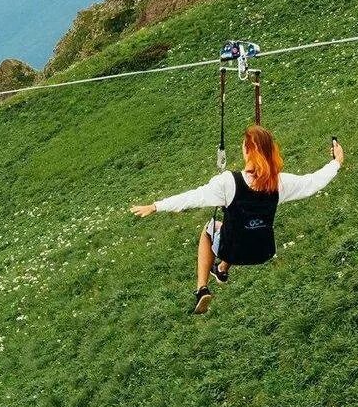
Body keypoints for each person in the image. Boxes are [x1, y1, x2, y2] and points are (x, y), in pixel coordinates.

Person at [131, 126, 344, 314]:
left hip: (234, 250)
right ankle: (222, 270)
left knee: (210, 229)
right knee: (238, 227)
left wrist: (156, 206)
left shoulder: (228, 183)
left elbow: (192, 197)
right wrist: (336, 162)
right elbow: (313, 182)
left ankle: (201, 288)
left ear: (248, 151)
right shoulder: (279, 183)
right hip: (263, 251)